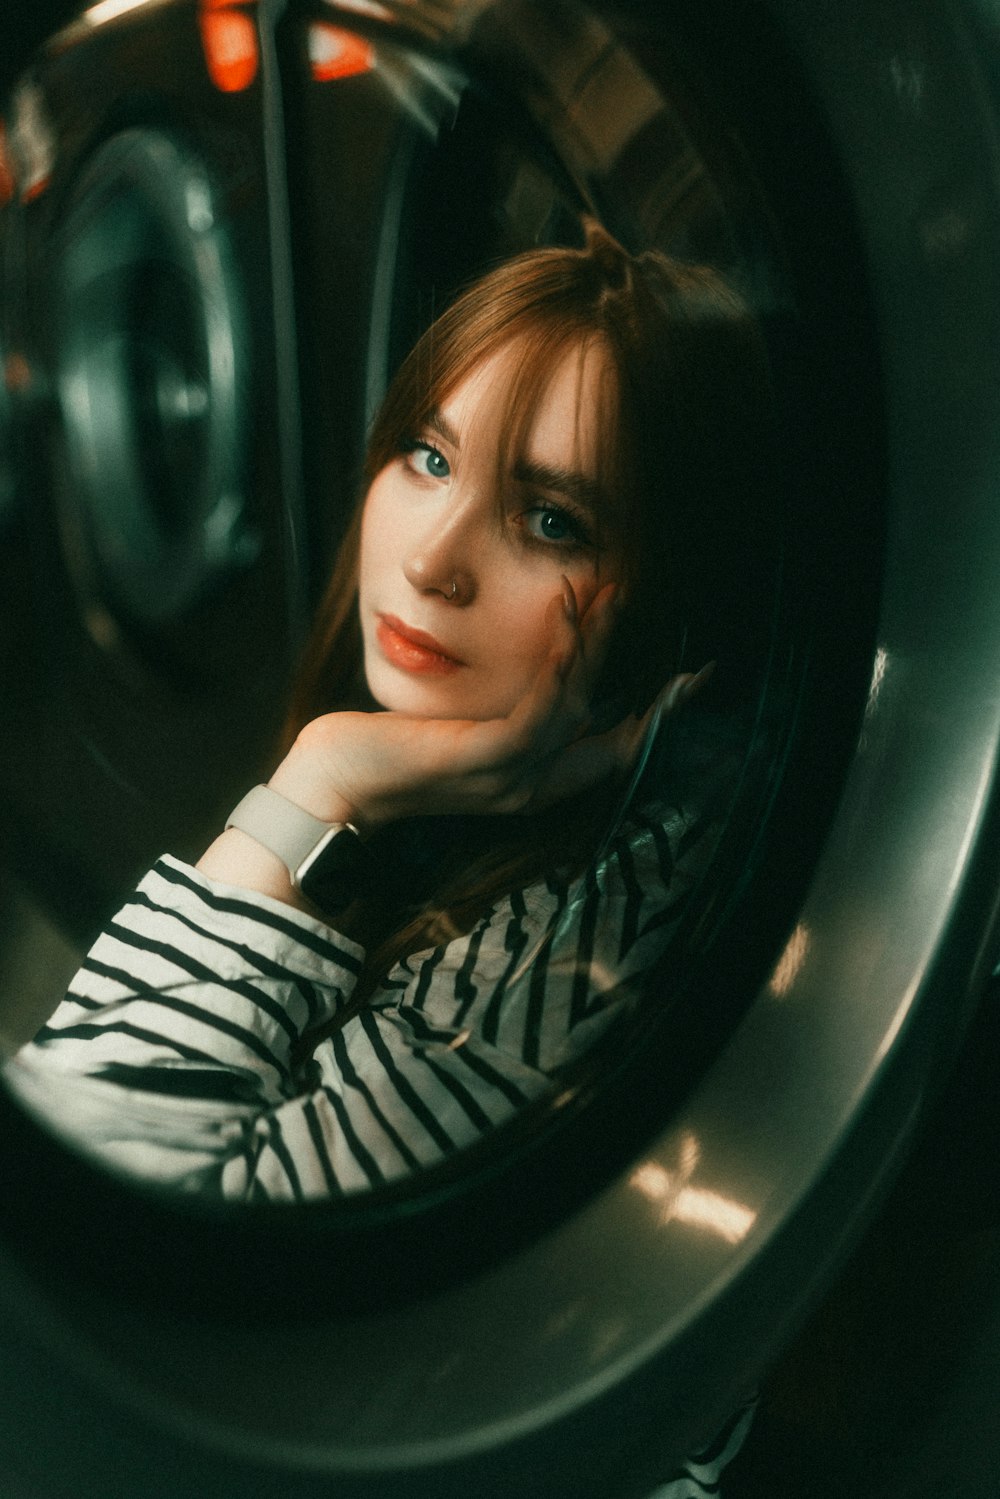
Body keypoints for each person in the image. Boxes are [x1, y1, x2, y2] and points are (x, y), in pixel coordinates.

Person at [7, 219, 772, 1201]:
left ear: (672, 597)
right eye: (429, 456)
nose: (429, 561)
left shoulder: (561, 958)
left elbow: (99, 1225)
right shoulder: (456, 823)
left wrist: (322, 781)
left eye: (550, 521)